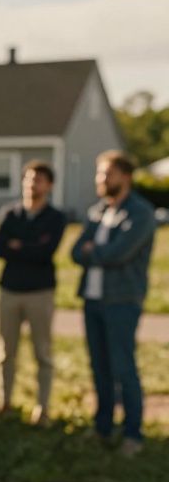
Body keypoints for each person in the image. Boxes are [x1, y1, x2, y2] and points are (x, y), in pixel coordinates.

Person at [72, 150, 156, 457]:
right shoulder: (97, 212)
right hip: (92, 300)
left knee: (124, 367)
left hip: (122, 302)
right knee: (99, 367)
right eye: (99, 174)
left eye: (107, 174)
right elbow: (75, 252)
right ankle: (102, 427)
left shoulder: (141, 213)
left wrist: (94, 250)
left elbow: (119, 254)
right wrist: (95, 250)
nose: (101, 179)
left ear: (125, 177)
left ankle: (133, 434)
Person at [0, 160, 66, 424]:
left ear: (49, 185)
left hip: (40, 293)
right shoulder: (9, 214)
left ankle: (42, 409)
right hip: (9, 291)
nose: (33, 184)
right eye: (30, 179)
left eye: (40, 180)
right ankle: (4, 403)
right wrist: (30, 247)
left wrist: (18, 246)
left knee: (42, 352)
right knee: (5, 352)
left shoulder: (56, 218)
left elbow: (46, 252)